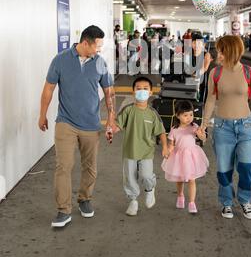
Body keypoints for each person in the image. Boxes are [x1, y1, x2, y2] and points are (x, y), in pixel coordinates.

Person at [39, 25, 115, 228]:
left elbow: (108, 91)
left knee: (90, 166)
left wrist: (111, 118)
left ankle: (84, 199)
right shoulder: (61, 60)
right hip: (65, 122)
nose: (99, 50)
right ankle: (63, 210)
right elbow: (48, 89)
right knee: (63, 166)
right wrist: (42, 114)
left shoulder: (100, 62)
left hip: (91, 123)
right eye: (97, 46)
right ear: (85, 42)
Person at [198, 35, 251, 220]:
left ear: (230, 51)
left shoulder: (249, 72)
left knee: (247, 167)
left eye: (220, 50)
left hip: (245, 127)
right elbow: (210, 100)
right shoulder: (215, 73)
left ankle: (245, 200)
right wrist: (204, 125)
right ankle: (226, 202)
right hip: (222, 128)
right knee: (223, 169)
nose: (217, 53)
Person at [111, 77, 168, 216]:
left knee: (146, 175)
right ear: (133, 92)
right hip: (130, 151)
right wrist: (111, 131)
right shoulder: (128, 110)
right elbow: (118, 125)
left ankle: (149, 190)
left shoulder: (153, 113)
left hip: (146, 152)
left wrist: (165, 147)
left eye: (145, 89)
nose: (141, 91)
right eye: (138, 88)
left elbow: (161, 132)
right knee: (130, 178)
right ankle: (133, 201)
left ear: (150, 92)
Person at [161, 100, 208, 214]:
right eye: (185, 115)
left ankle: (192, 202)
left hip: (192, 156)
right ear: (178, 115)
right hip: (179, 156)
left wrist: (201, 134)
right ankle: (180, 196)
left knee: (192, 180)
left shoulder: (194, 127)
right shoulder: (174, 129)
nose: (189, 118)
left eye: (191, 115)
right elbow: (171, 144)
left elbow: (203, 139)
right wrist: (168, 152)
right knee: (180, 179)